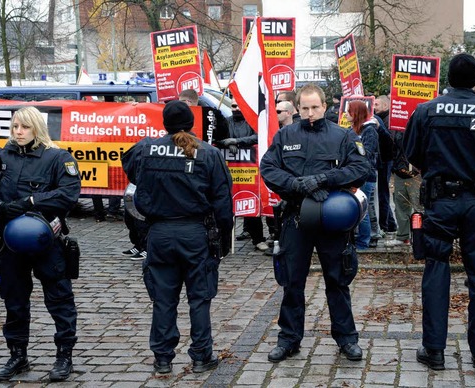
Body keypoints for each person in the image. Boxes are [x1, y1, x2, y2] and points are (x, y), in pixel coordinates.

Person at [403, 53, 475, 370]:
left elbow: (410, 152)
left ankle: (434, 351)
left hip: (440, 201)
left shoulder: (426, 111)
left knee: (436, 269)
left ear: (448, 80)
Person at [121, 100, 233, 375]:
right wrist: (223, 240)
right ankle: (201, 356)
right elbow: (222, 203)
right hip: (195, 234)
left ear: (164, 124)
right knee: (199, 297)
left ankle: (162, 358)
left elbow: (130, 168)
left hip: (159, 233)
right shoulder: (208, 153)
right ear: (191, 123)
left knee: (163, 299)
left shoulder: (146, 149)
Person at [260, 83, 370, 363]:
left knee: (337, 280)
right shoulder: (285, 135)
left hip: (332, 219)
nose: (310, 113)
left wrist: (323, 179)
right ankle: (288, 339)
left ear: (325, 106)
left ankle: (347, 339)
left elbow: (360, 168)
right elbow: (269, 168)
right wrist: (298, 185)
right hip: (296, 218)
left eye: (315, 107)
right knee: (292, 282)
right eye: (305, 108)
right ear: (297, 107)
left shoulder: (343, 136)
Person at [0, 106, 81, 382]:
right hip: (11, 244)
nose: (18, 132)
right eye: (14, 127)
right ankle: (17, 354)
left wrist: (31, 203)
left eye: (24, 127)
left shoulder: (57, 157)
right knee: (14, 300)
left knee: (59, 299)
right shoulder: (1, 157)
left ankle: (64, 355)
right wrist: (2, 208)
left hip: (48, 243)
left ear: (37, 128)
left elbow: (68, 195)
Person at [219, 97, 268, 251]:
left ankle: (258, 239)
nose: (235, 109)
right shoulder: (226, 121)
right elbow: (218, 137)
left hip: (248, 172)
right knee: (224, 206)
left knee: (250, 203)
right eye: (233, 106)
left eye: (238, 106)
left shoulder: (252, 120)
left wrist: (236, 141)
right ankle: (221, 241)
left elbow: (257, 136)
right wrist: (226, 142)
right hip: (228, 171)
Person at [345, 100, 379, 250]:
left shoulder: (369, 130)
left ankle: (364, 241)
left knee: (362, 208)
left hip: (365, 176)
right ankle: (361, 238)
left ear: (356, 113)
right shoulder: (353, 130)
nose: (346, 114)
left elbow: (368, 154)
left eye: (349, 111)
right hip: (354, 174)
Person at [373, 95, 398, 244]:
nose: (374, 107)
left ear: (385, 106)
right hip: (384, 160)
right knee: (382, 192)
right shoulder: (382, 119)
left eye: (376, 104)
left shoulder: (387, 121)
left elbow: (390, 141)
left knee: (383, 192)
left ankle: (387, 224)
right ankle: (389, 223)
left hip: (385, 160)